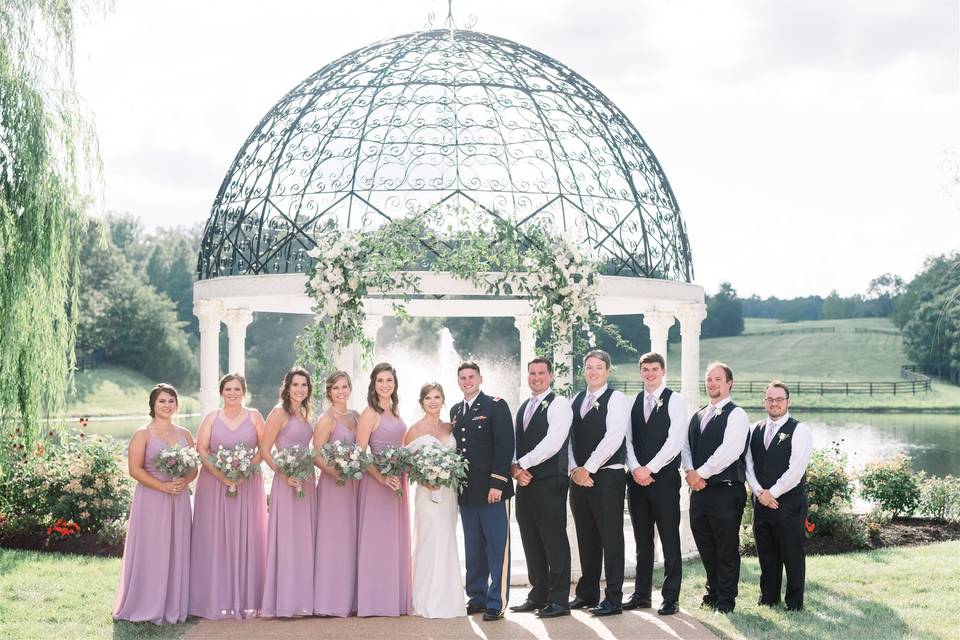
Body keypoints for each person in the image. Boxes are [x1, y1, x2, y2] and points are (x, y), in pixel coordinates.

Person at [114, 384, 195, 624]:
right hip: (151, 499)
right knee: (152, 549)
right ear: (153, 404)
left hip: (178, 499)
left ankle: (174, 603)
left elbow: (194, 469)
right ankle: (146, 602)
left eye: (171, 401)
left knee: (177, 548)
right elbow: (134, 469)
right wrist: (162, 487)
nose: (167, 405)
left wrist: (184, 479)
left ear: (176, 404)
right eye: (162, 401)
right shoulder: (143, 434)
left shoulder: (185, 434)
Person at [190, 373, 268, 619]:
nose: (232, 393)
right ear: (221, 392)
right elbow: (201, 448)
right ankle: (213, 598)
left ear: (244, 391)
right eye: (228, 389)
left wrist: (245, 472)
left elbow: (263, 449)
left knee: (247, 536)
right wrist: (221, 475)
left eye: (237, 389)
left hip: (248, 484)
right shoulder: (212, 418)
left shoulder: (254, 416)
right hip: (214, 484)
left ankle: (247, 599)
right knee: (214, 537)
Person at [682, 362, 750, 614]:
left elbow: (730, 451)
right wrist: (690, 472)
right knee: (706, 545)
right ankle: (713, 593)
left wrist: (701, 473)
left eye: (717, 379)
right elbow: (685, 447)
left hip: (725, 489)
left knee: (726, 547)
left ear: (729, 383)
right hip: (698, 491)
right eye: (709, 379)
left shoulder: (737, 415)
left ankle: (726, 600)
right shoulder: (698, 415)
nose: (712, 383)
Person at [624, 351, 688, 616]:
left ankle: (670, 597)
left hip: (664, 481)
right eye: (645, 369)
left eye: (654, 369)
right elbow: (626, 440)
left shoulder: (675, 400)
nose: (650, 374)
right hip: (636, 480)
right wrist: (636, 468)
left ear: (663, 372)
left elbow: (674, 442)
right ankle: (641, 594)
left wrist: (649, 468)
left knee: (669, 539)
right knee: (642, 540)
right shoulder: (633, 402)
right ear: (640, 373)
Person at [567, 349, 629, 617]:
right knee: (586, 536)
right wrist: (574, 470)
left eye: (598, 367)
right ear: (584, 370)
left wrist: (588, 468)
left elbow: (614, 437)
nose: (593, 372)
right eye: (589, 367)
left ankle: (613, 597)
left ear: (608, 371)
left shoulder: (617, 399)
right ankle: (587, 592)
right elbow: (567, 439)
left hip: (607, 476)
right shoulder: (575, 400)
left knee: (611, 537)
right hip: (579, 478)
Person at [509, 357, 573, 619]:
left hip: (550, 482)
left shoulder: (559, 404)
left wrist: (522, 464)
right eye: (532, 373)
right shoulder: (524, 406)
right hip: (525, 483)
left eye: (541, 373)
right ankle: (539, 594)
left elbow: (553, 442)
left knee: (554, 540)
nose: (536, 377)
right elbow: (516, 441)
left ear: (551, 376)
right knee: (531, 539)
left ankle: (559, 599)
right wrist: (514, 469)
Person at [450, 361, 514, 621]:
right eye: (463, 377)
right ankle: (476, 597)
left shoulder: (495, 405)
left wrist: (497, 483)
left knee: (497, 548)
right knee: (474, 548)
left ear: (481, 378)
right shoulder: (456, 410)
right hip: (467, 492)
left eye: (471, 376)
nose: (467, 381)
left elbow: (505, 445)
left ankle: (496, 602)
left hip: (491, 490)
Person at [745, 381, 813, 611]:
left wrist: (772, 493)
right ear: (765, 401)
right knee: (766, 552)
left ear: (787, 402)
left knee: (792, 554)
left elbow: (796, 470)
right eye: (770, 399)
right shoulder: (755, 429)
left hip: (788, 504)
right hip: (761, 502)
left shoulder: (799, 430)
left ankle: (794, 603)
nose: (774, 404)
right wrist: (758, 492)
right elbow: (748, 465)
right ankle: (768, 597)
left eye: (779, 400)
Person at [404, 382, 466, 619]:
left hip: (449, 493)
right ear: (422, 402)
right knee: (429, 540)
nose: (433, 401)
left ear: (443, 400)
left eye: (437, 397)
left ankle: (449, 598)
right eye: (428, 398)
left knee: (447, 539)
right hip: (426, 493)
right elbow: (405, 463)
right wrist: (426, 479)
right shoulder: (414, 430)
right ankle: (425, 599)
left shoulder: (450, 426)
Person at [355, 362, 412, 616]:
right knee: (376, 540)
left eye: (389, 380)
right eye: (380, 381)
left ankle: (393, 598)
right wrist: (381, 478)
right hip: (377, 485)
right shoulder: (370, 413)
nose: (385, 385)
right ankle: (373, 600)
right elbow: (360, 453)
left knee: (393, 541)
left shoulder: (396, 410)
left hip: (397, 483)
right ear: (373, 384)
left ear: (395, 383)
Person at [261, 367, 317, 617]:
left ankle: (303, 600)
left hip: (306, 482)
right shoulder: (279, 412)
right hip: (286, 483)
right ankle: (283, 601)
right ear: (287, 387)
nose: (300, 389)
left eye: (304, 385)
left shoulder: (306, 412)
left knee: (305, 538)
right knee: (287, 539)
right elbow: (264, 449)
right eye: (296, 385)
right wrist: (283, 474)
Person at [313, 371, 361, 617]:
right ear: (329, 392)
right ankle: (329, 600)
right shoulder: (326, 419)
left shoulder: (356, 416)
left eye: (344, 387)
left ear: (350, 389)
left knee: (352, 537)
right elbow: (317, 455)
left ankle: (351, 598)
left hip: (354, 485)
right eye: (335, 388)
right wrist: (336, 472)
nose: (341, 391)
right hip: (335, 485)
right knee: (334, 539)